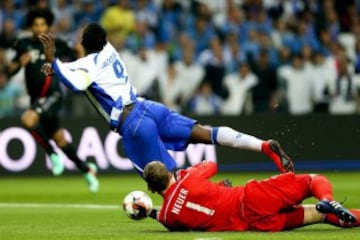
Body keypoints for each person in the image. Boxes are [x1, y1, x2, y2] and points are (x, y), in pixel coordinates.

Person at [38, 23, 294, 177]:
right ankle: (262, 145)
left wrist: (52, 60)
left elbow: (76, 80)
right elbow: (78, 69)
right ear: (104, 41)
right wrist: (58, 67)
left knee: (166, 182)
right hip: (148, 107)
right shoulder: (110, 52)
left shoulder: (86, 65)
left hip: (133, 124)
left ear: (83, 44)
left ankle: (207, 186)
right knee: (206, 132)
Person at [6, 8, 99, 192]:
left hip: (53, 94)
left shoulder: (58, 44)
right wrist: (18, 64)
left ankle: (52, 154)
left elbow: (78, 59)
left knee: (28, 119)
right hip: (36, 99)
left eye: (42, 24)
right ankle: (87, 169)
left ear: (48, 27)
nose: (39, 28)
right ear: (31, 27)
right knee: (60, 138)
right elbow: (9, 71)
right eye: (35, 25)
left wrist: (80, 52)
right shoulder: (23, 44)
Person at [142, 160, 359, 232]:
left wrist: (145, 211)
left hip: (255, 223)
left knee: (318, 216)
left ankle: (326, 208)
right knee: (312, 180)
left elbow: (166, 215)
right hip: (252, 198)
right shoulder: (187, 177)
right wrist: (183, 173)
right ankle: (326, 199)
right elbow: (212, 165)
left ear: (152, 189)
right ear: (169, 172)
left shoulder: (169, 216)